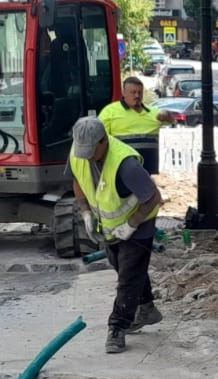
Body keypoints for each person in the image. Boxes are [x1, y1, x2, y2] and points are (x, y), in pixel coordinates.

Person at [69, 117, 163, 354]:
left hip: (139, 224)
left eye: (92, 151)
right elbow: (77, 180)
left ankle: (117, 327)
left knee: (128, 276)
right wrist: (86, 212)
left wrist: (132, 224)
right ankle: (148, 308)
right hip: (111, 226)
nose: (88, 157)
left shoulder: (126, 165)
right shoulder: (79, 152)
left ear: (103, 141)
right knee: (123, 268)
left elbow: (153, 197)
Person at [97, 77, 176, 174]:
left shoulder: (154, 113)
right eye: (133, 92)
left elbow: (174, 124)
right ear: (124, 93)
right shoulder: (110, 112)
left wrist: (168, 115)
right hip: (121, 170)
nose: (137, 96)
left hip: (149, 171)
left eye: (140, 92)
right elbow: (99, 139)